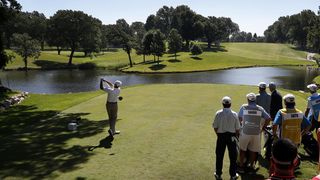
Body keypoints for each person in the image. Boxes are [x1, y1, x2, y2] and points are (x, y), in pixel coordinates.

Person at [238, 93, 271, 173]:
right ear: (255, 100)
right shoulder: (260, 108)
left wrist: (242, 125)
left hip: (245, 132)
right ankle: (251, 168)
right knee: (253, 151)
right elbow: (268, 118)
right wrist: (262, 128)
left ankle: (241, 167)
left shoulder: (244, 107)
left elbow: (239, 117)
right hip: (256, 133)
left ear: (248, 100)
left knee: (242, 150)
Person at [213, 96, 240, 180]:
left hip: (221, 136)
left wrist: (219, 135)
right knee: (233, 156)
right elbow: (237, 128)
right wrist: (235, 136)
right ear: (230, 104)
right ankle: (233, 175)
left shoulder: (218, 113)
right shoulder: (234, 114)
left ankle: (218, 174)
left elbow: (215, 127)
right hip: (231, 136)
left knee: (219, 155)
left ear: (222, 104)